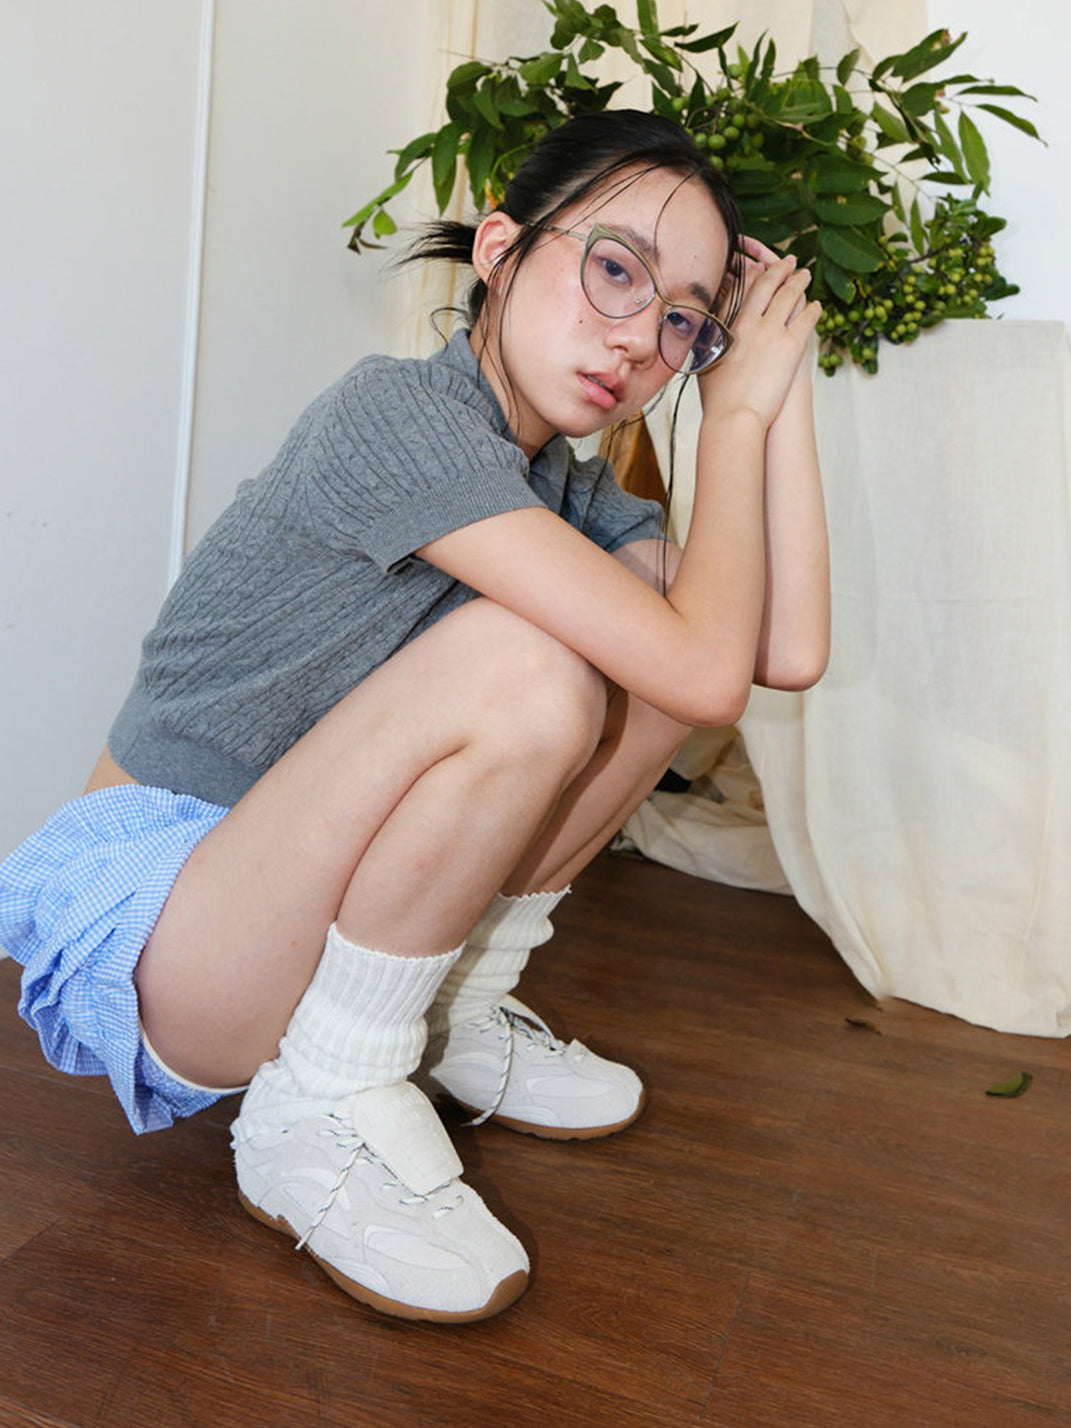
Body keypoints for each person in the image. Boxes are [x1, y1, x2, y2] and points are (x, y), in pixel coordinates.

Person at [0, 109, 828, 1323]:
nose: (637, 338)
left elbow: (770, 653)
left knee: (645, 661)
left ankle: (449, 1012)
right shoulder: (396, 416)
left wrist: (775, 392)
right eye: (615, 270)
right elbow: (712, 671)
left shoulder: (567, 490)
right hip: (157, 920)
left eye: (683, 322)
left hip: (291, 903)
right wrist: (736, 420)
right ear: (500, 247)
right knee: (532, 662)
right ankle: (322, 1103)